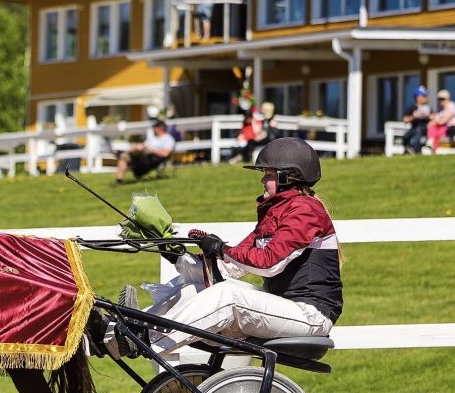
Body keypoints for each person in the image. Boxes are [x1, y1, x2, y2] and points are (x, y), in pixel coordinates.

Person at [145, 137, 343, 354]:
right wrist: (178, 257)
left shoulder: (305, 210)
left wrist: (221, 248)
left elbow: (269, 263)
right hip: (285, 309)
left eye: (267, 175)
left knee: (228, 295)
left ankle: (149, 340)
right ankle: (130, 329)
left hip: (311, 315)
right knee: (197, 289)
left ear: (286, 177)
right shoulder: (275, 214)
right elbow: (228, 267)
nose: (262, 181)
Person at [114, 120, 175, 185]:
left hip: (152, 158)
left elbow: (165, 154)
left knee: (139, 149)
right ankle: (119, 181)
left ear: (160, 128)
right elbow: (144, 145)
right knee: (123, 157)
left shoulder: (168, 139)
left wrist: (150, 149)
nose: (153, 129)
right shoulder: (153, 138)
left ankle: (123, 152)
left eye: (155, 127)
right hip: (141, 156)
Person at [401, 86, 432, 155]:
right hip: (414, 128)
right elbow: (405, 119)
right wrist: (414, 116)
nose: (426, 97)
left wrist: (428, 116)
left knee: (418, 131)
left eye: (426, 96)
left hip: (425, 129)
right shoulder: (412, 107)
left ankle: (416, 152)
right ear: (418, 97)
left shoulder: (427, 107)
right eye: (424, 95)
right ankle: (407, 150)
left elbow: (434, 117)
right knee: (405, 136)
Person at [427, 89, 455, 153]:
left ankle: (432, 145)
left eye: (442, 99)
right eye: (439, 99)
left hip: (453, 127)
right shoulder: (440, 109)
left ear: (447, 98)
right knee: (433, 127)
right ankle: (431, 145)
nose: (441, 100)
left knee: (435, 128)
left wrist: (434, 121)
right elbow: (437, 119)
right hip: (446, 127)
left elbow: (443, 121)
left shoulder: (451, 106)